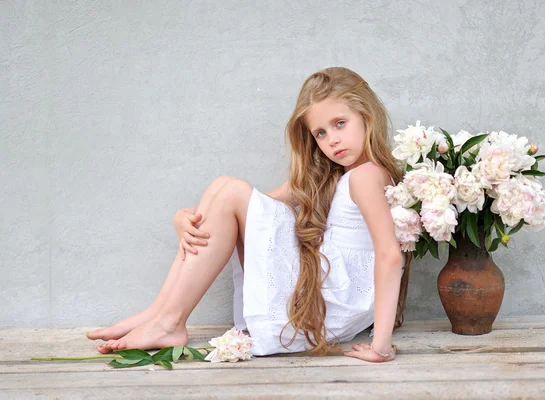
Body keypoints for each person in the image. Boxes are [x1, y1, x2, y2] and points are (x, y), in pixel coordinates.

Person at [87, 67, 413, 363]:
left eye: (340, 124)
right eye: (321, 133)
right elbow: (245, 207)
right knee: (224, 188)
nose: (332, 140)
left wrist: (380, 345)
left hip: (335, 302)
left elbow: (389, 254)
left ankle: (167, 320)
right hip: (328, 293)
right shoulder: (339, 175)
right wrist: (185, 216)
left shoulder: (366, 175)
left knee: (229, 189)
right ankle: (159, 314)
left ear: (366, 115)